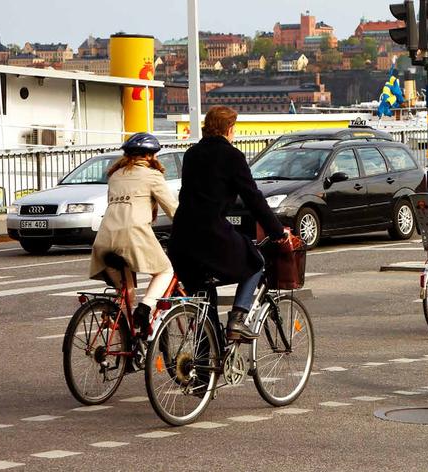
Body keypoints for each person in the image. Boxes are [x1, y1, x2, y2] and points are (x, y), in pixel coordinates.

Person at [168, 106, 287, 342]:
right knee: (255, 262)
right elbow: (253, 197)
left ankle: (204, 372)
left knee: (204, 306)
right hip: (210, 234)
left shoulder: (191, 155)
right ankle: (238, 319)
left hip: (181, 237)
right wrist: (277, 231)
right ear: (230, 129)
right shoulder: (232, 156)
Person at [89, 133, 179, 338]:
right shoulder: (152, 175)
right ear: (149, 156)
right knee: (165, 271)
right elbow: (174, 211)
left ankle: (127, 341)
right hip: (133, 236)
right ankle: (145, 308)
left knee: (126, 292)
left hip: (103, 239)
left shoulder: (115, 175)